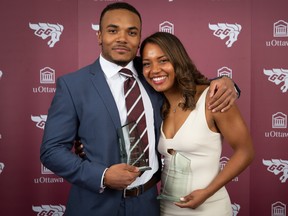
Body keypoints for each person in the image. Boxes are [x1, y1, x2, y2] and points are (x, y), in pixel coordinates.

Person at [40, 2, 239, 216]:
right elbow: (51, 151)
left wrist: (228, 83)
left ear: (138, 39)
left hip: (148, 203)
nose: (122, 38)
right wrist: (103, 175)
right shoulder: (73, 86)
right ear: (99, 36)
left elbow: (193, 85)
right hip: (96, 205)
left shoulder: (151, 74)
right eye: (113, 30)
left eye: (131, 32)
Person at [138, 31, 254, 216]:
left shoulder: (213, 98)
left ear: (178, 60)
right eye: (146, 64)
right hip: (167, 208)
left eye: (163, 60)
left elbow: (246, 151)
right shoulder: (157, 105)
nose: (154, 70)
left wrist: (207, 193)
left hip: (209, 207)